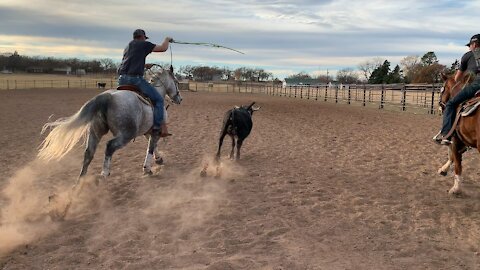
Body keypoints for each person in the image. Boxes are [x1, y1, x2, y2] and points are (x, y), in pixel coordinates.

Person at [117, 29, 173, 137]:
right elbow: (163, 48)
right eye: (144, 37)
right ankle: (157, 128)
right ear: (142, 37)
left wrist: (144, 65)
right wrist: (167, 39)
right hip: (135, 79)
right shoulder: (143, 44)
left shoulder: (128, 46)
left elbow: (129, 63)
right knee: (158, 99)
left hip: (121, 80)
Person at [434, 34, 480, 145]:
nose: (469, 47)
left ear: (474, 44)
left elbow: (457, 78)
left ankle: (446, 134)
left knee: (450, 104)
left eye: (470, 45)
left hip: (476, 84)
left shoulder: (468, 56)